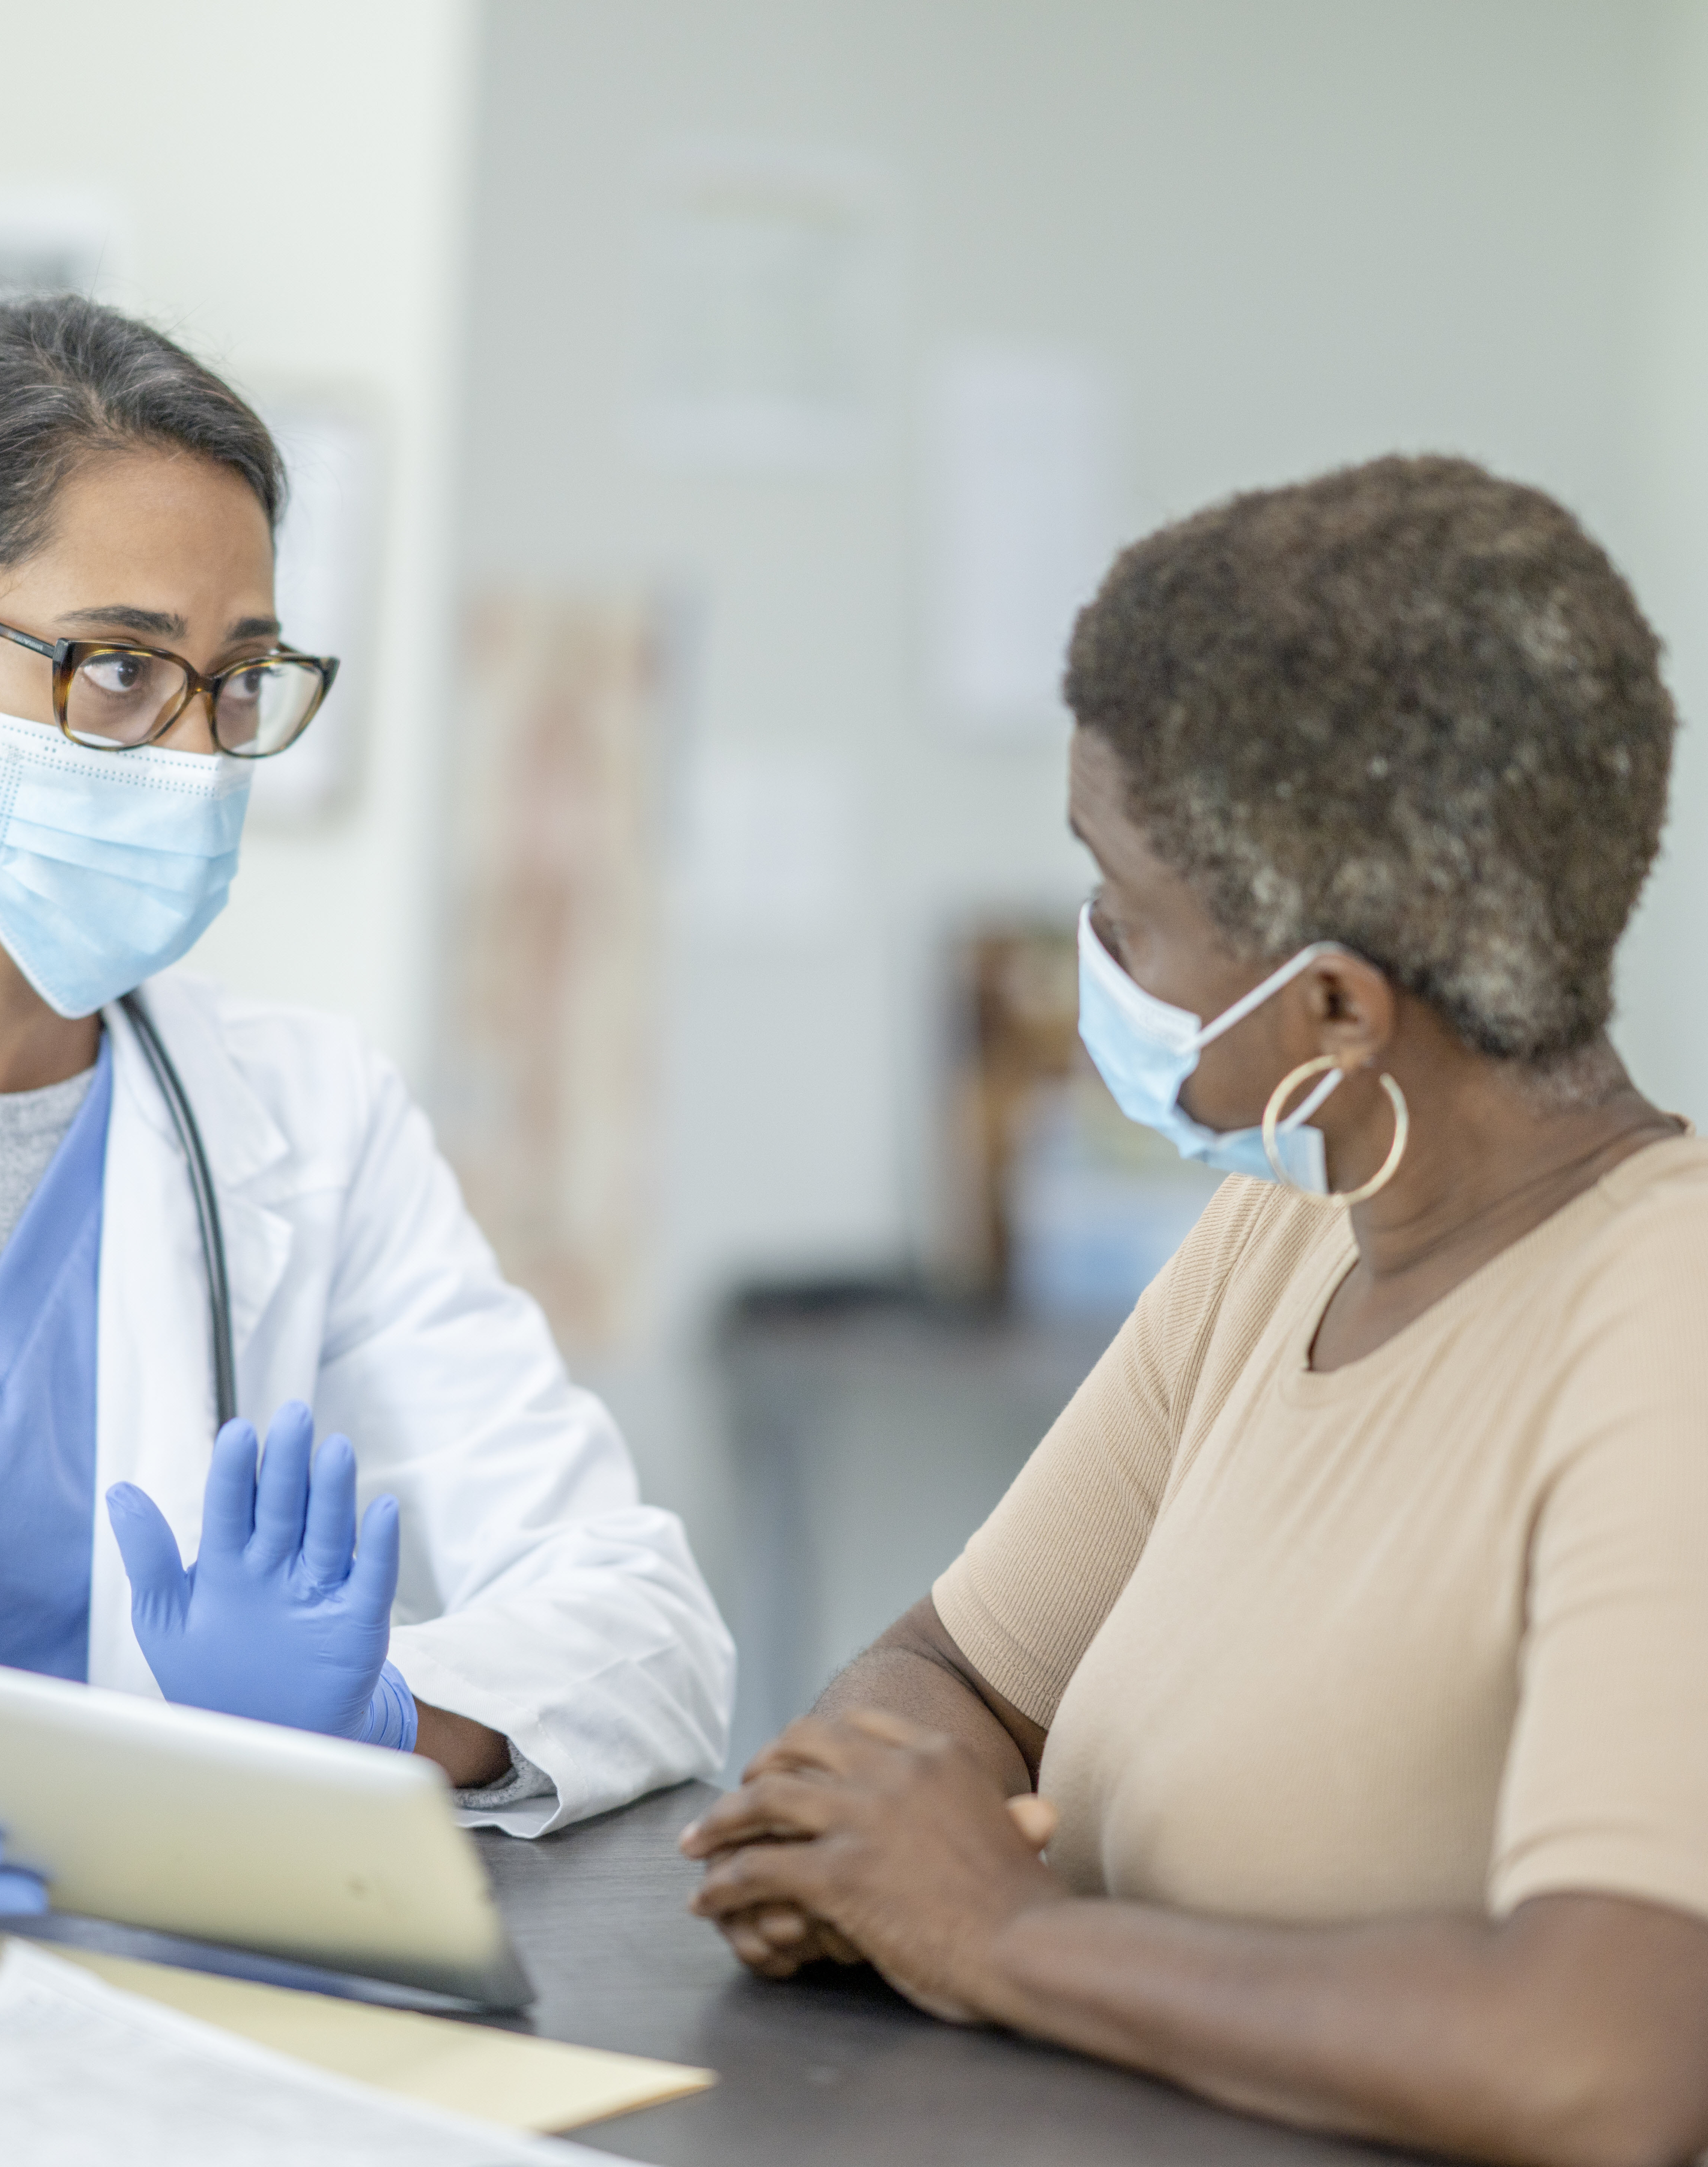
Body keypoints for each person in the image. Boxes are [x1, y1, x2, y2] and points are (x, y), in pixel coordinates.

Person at [0, 295, 731, 1922]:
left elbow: (646, 1624)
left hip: (128, 2024)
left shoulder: (310, 1122)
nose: (190, 752)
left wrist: (373, 1723)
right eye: (115, 672)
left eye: (237, 683)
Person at [682, 457, 1708, 2166]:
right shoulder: (1281, 1238)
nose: (1089, 953)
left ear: (1331, 1008)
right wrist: (861, 1848)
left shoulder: (1666, 1332)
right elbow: (953, 1670)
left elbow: (1603, 2062)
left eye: (1122, 910)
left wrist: (996, 1935)